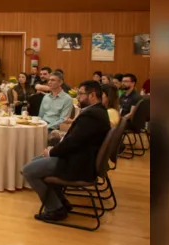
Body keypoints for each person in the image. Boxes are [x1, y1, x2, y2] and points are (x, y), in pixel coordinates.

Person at [22, 80, 110, 222]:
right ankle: (60, 201)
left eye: (81, 94)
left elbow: (73, 142)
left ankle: (55, 209)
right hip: (81, 158)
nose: (78, 97)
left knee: (28, 171)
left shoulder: (91, 115)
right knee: (35, 162)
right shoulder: (98, 111)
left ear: (92, 95)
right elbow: (76, 140)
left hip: (77, 164)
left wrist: (52, 152)